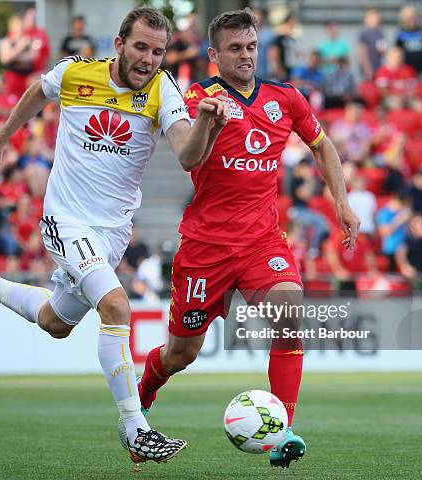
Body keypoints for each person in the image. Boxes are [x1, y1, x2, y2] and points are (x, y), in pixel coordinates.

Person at [0, 7, 228, 464]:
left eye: (158, 52)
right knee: (116, 306)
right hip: (66, 219)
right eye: (140, 47)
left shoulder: (163, 89)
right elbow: (37, 91)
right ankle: (135, 427)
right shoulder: (76, 73)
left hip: (111, 232)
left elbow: (187, 156)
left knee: (56, 323)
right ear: (118, 45)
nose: (149, 59)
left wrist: (206, 125)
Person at [132, 10, 359, 470]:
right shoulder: (200, 98)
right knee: (180, 355)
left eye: (251, 46)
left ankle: (282, 432)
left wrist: (341, 201)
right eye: (235, 49)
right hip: (205, 248)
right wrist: (206, 123)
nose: (246, 56)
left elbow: (323, 145)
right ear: (214, 55)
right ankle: (141, 402)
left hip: (261, 243)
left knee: (290, 315)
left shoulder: (285, 98)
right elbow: (189, 160)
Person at [395, 5, 422, 79]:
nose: (411, 20)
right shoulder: (401, 34)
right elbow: (398, 51)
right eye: (409, 18)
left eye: (413, 17)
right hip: (406, 69)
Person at [358, 7, 386, 82]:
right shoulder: (364, 32)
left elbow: (382, 50)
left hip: (378, 64)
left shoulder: (380, 32)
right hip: (369, 65)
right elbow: (362, 51)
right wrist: (366, 67)